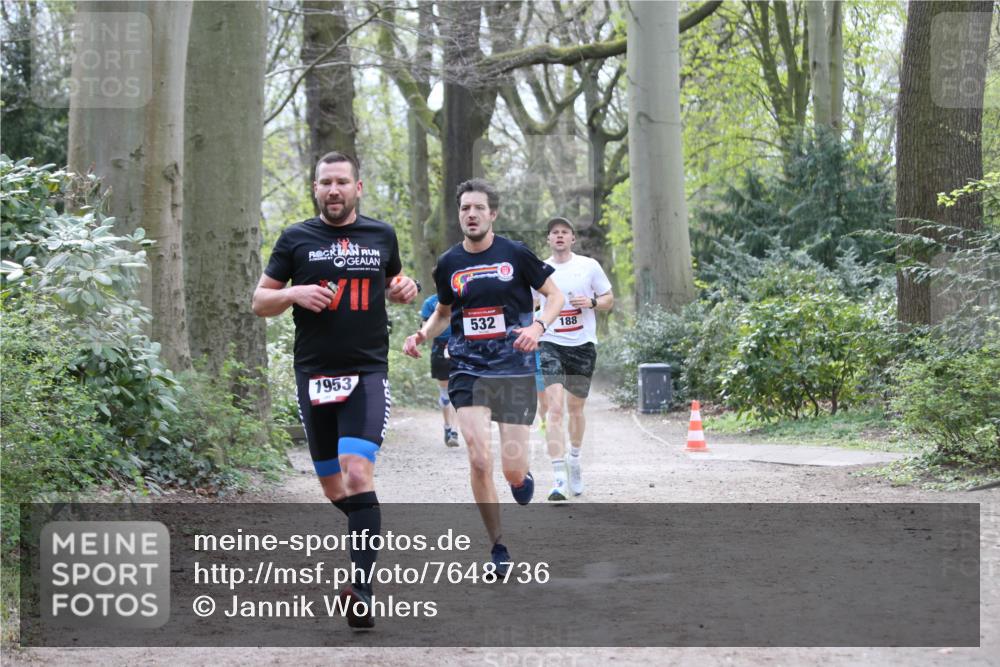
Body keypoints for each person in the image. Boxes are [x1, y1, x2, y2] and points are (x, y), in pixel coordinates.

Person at [252, 151, 419, 628]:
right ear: (315, 188)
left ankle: (361, 590)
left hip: (366, 374)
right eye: (325, 182)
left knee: (357, 474)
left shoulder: (381, 235)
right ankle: (369, 525)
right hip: (314, 376)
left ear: (357, 188)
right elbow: (259, 301)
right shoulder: (296, 238)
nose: (333, 190)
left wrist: (401, 289)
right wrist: (292, 293)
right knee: (333, 487)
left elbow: (391, 283)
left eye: (341, 182)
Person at [403, 179, 563, 572]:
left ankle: (520, 479)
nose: (470, 214)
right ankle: (498, 548)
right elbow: (443, 313)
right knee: (478, 457)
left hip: (513, 367)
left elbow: (554, 296)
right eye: (464, 209)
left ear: (493, 214)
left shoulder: (516, 254)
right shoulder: (448, 263)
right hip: (467, 368)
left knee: (511, 468)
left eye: (478, 208)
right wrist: (423, 334)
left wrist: (538, 328)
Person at [535, 216, 613, 501]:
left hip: (582, 344)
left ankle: (574, 459)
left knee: (576, 409)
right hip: (550, 342)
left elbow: (608, 299)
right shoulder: (540, 270)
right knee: (554, 410)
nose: (559, 236)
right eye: (554, 232)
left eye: (564, 232)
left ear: (572, 239)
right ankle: (558, 478)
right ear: (548, 239)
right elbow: (529, 302)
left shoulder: (588, 266)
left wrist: (591, 302)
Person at [419, 293, 460, 447]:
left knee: (457, 389)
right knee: (445, 393)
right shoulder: (430, 303)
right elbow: (425, 328)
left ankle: (454, 431)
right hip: (440, 347)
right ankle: (447, 426)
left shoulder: (461, 297)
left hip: (460, 344)